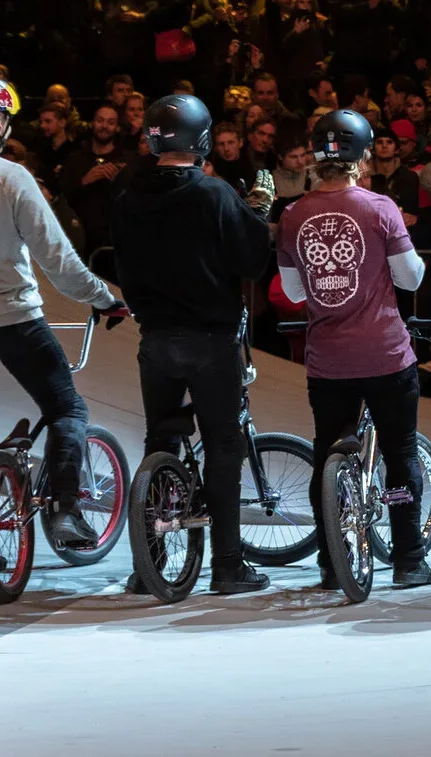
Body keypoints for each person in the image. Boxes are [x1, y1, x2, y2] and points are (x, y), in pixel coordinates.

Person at [0, 75, 126, 574]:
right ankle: (63, 511)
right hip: (14, 319)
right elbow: (61, 264)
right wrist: (105, 300)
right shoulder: (12, 178)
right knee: (66, 408)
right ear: (4, 121)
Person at [111, 93, 275, 595]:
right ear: (202, 140)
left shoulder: (126, 193)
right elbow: (251, 262)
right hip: (210, 339)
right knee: (223, 447)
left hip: (156, 339)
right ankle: (227, 565)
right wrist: (258, 210)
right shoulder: (213, 194)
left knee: (158, 442)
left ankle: (150, 566)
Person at [277, 108, 431, 590]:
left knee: (327, 451)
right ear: (363, 155)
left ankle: (330, 564)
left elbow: (295, 292)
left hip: (327, 360)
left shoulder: (292, 215)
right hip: (385, 354)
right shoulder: (380, 207)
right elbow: (410, 277)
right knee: (400, 453)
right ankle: (408, 560)